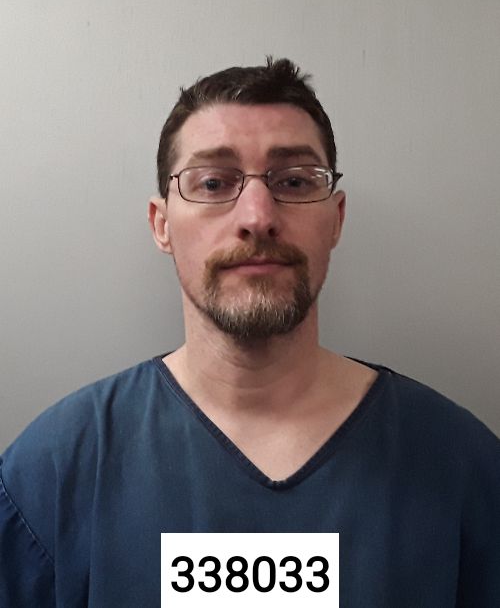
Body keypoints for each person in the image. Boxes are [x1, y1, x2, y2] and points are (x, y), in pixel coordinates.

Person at [1, 58, 499, 607]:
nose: (258, 216)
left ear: (336, 219)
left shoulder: (463, 468)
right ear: (162, 224)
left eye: (293, 181)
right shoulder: (53, 472)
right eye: (214, 183)